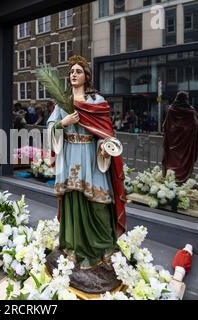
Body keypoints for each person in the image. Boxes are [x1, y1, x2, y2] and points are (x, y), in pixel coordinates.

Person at [47, 55, 126, 275]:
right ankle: (73, 248)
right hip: (71, 155)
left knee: (98, 202)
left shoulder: (96, 102)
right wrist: (64, 122)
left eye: (78, 71)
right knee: (73, 200)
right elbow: (51, 126)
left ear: (86, 76)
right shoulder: (63, 102)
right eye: (71, 71)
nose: (74, 74)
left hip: (91, 158)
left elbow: (106, 132)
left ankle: (100, 249)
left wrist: (103, 146)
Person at [162, 91, 198, 183]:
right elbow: (196, 126)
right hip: (186, 142)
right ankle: (183, 179)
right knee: (185, 160)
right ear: (186, 99)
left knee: (171, 159)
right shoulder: (190, 111)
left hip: (172, 141)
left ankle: (171, 177)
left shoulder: (171, 110)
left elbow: (165, 126)